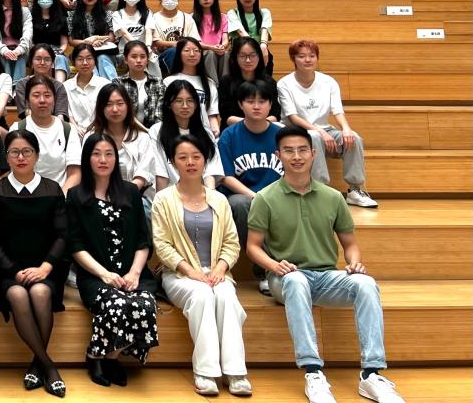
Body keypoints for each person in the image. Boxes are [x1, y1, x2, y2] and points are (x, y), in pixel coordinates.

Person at [247, 126, 405, 403]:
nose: (296, 156)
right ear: (278, 156)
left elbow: (350, 244)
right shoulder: (264, 198)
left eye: (302, 150)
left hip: (326, 276)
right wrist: (273, 265)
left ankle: (372, 374)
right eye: (289, 151)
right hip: (286, 278)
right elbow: (252, 247)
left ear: (313, 154)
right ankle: (313, 373)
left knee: (366, 283)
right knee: (296, 280)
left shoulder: (332, 197)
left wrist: (354, 264)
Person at [151, 134, 251, 397]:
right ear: (173, 162)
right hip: (179, 275)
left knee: (227, 297)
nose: (190, 162)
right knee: (202, 296)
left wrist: (220, 268)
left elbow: (232, 242)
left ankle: (236, 372)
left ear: (205, 161)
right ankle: (205, 372)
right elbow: (162, 245)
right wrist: (190, 271)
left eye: (196, 157)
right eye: (183, 157)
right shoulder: (163, 199)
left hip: (217, 273)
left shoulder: (219, 200)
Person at [68, 133, 159, 387]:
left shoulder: (130, 192)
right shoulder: (76, 196)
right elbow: (75, 246)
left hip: (133, 273)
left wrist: (135, 273)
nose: (103, 159)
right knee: (116, 303)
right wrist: (104, 274)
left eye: (109, 154)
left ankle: (109, 357)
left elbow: (143, 240)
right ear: (87, 159)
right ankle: (96, 356)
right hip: (95, 276)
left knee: (144, 304)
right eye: (96, 154)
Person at [0, 129, 68, 396]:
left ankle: (37, 364)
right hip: (7, 270)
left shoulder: (52, 189)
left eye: (26, 152)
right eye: (14, 152)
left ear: (37, 155)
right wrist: (14, 270)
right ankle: (49, 367)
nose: (21, 157)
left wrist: (46, 267)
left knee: (41, 293)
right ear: (6, 157)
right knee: (19, 295)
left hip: (45, 268)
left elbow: (62, 235)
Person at [277, 39, 378, 208]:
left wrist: (346, 129)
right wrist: (320, 132)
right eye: (301, 56)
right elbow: (293, 117)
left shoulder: (328, 82)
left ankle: (355, 190)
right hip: (296, 131)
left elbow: (337, 110)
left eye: (312, 56)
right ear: (293, 59)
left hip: (325, 129)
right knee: (314, 136)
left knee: (354, 138)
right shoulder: (284, 83)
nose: (307, 60)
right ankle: (320, 190)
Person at [218, 79, 283, 294]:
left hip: (277, 194)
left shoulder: (281, 135)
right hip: (243, 195)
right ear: (240, 104)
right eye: (250, 101)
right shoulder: (229, 135)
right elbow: (226, 177)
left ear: (270, 105)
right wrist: (254, 195)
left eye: (262, 101)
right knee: (240, 204)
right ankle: (264, 270)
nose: (256, 106)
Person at [9, 74, 81, 192]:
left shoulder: (68, 130)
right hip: (26, 195)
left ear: (55, 99)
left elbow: (75, 174)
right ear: (27, 100)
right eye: (36, 95)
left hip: (60, 195)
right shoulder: (17, 129)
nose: (42, 100)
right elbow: (15, 170)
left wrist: (60, 197)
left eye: (47, 95)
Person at [149, 80, 224, 194]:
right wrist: (162, 200)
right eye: (179, 101)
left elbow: (210, 171)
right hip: (170, 195)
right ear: (169, 104)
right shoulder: (157, 131)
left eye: (190, 101)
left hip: (201, 194)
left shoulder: (206, 133)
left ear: (196, 104)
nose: (185, 106)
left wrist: (210, 197)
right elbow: (160, 172)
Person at [88, 83, 154, 204]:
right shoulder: (92, 137)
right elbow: (86, 170)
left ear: (128, 106)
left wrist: (124, 195)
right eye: (108, 104)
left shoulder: (142, 138)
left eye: (120, 104)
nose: (115, 109)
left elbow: (143, 174)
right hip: (97, 196)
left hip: (134, 197)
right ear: (101, 108)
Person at [218, 36, 280, 130]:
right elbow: (226, 116)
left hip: (264, 129)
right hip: (235, 129)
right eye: (243, 56)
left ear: (259, 56)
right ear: (235, 58)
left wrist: (258, 125)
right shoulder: (226, 82)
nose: (248, 60)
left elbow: (275, 114)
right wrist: (251, 124)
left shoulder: (269, 82)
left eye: (252, 55)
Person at [164, 37, 221, 137]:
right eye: (187, 50)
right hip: (176, 135)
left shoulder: (209, 83)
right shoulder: (168, 81)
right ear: (179, 54)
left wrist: (215, 131)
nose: (192, 54)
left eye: (196, 51)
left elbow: (211, 114)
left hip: (203, 135)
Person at [145, 0, 199, 74]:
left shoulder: (187, 17)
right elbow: (154, 42)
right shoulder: (153, 18)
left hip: (186, 53)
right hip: (162, 56)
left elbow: (195, 40)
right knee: (173, 52)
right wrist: (174, 44)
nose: (170, 0)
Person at [68, 0, 118, 80]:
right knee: (89, 59)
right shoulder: (71, 15)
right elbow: (71, 41)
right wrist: (89, 43)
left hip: (104, 50)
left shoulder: (107, 14)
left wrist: (96, 39)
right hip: (82, 51)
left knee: (102, 58)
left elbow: (111, 37)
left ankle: (112, 86)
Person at [112, 0, 162, 78]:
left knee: (152, 59)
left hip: (145, 49)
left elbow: (149, 31)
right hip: (124, 52)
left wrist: (147, 47)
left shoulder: (147, 12)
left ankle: (157, 82)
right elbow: (124, 33)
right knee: (137, 57)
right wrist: (138, 48)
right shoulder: (117, 14)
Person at [226, 0, 273, 74]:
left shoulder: (264, 12)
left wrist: (263, 46)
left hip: (260, 49)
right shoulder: (232, 13)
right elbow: (241, 31)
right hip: (240, 51)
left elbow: (264, 29)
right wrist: (253, 51)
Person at [115, 40, 166, 129]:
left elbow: (160, 115)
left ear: (147, 60)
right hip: (125, 131)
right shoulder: (118, 83)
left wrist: (151, 132)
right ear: (125, 59)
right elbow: (120, 114)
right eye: (134, 57)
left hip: (153, 132)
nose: (138, 60)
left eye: (142, 57)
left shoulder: (157, 82)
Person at [64, 43, 111, 136]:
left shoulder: (105, 84)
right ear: (74, 62)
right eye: (80, 59)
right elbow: (68, 112)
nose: (85, 63)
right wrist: (74, 127)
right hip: (74, 132)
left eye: (89, 58)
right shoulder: (66, 86)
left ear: (95, 61)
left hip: (100, 132)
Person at [14, 44, 69, 120]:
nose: (42, 63)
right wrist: (42, 123)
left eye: (47, 59)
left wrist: (52, 124)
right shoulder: (22, 84)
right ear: (31, 62)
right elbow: (25, 111)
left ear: (52, 63)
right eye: (38, 59)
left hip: (55, 124)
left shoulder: (59, 86)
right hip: (29, 123)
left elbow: (60, 114)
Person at [29, 0, 71, 82]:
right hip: (36, 51)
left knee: (60, 58)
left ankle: (59, 85)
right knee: (40, 59)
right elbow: (30, 40)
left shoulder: (61, 18)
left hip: (56, 51)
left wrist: (57, 52)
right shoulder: (31, 16)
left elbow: (64, 43)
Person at [192, 0, 229, 80]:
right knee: (210, 53)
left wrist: (222, 46)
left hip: (218, 50)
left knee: (226, 54)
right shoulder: (191, 18)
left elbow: (225, 39)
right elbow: (194, 42)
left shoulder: (223, 17)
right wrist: (211, 47)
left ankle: (225, 84)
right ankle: (213, 84)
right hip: (201, 51)